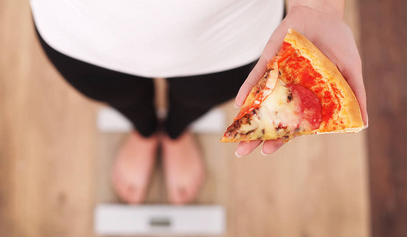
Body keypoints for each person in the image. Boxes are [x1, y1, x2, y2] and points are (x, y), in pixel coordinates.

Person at [30, 0, 368, 205]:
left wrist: (320, 8)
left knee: (196, 101)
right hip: (79, 34)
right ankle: (145, 132)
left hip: (229, 39)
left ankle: (176, 132)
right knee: (121, 99)